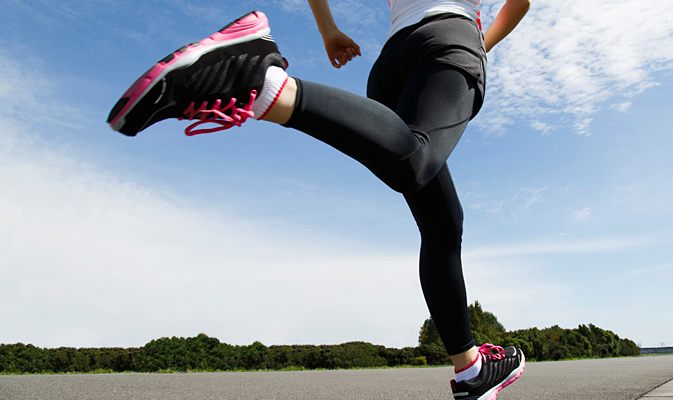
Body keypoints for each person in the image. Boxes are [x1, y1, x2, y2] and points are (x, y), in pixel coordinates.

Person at [107, 0, 529, 398]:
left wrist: (328, 31)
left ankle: (471, 370)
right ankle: (265, 85)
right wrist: (481, 43)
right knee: (415, 164)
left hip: (391, 65)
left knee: (443, 223)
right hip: (450, 38)